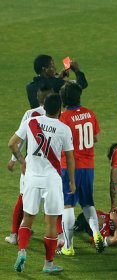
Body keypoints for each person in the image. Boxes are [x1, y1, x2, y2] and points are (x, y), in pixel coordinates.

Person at [8, 93, 75, 273]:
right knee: (51, 223)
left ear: (44, 108)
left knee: (27, 218)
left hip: (31, 177)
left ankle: (22, 251)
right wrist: (73, 182)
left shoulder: (31, 122)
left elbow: (12, 144)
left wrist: (22, 161)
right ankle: (48, 264)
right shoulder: (64, 129)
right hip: (52, 180)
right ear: (60, 110)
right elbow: (69, 159)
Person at [58, 81, 103, 255]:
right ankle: (97, 234)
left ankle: (68, 247)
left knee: (67, 206)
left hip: (70, 167)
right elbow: (96, 138)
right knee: (87, 203)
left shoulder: (64, 118)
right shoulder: (89, 114)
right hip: (88, 167)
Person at [5, 84, 53, 245]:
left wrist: (16, 160)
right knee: (53, 201)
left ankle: (14, 234)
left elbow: (19, 139)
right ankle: (58, 237)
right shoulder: (57, 115)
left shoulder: (31, 114)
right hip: (51, 167)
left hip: (31, 166)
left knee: (24, 198)